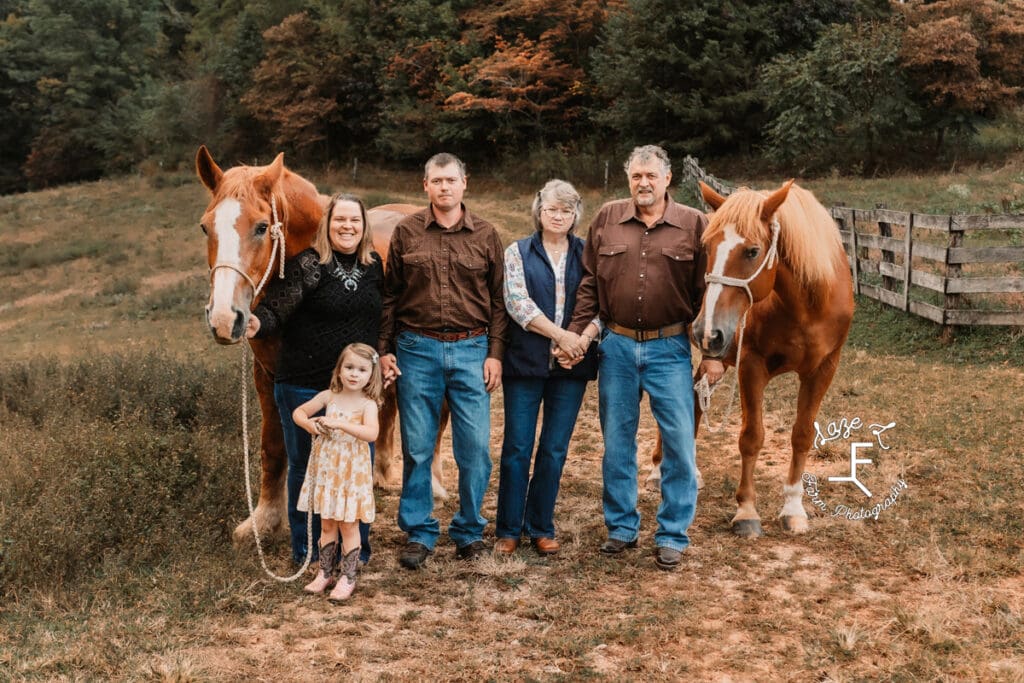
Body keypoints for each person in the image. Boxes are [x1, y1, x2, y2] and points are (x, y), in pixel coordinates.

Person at [564, 145, 725, 571]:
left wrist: (712, 354)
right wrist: (580, 335)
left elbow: (710, 294)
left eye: (651, 176)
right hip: (615, 345)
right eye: (636, 176)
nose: (644, 183)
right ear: (628, 178)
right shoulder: (607, 219)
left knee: (678, 443)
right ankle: (621, 528)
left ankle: (672, 533)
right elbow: (588, 284)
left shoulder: (695, 224)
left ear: (668, 178)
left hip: (670, 348)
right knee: (617, 442)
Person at [379, 152, 509, 569]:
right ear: (426, 186)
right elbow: (389, 296)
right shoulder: (406, 232)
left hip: (472, 351)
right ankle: (419, 532)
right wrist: (385, 350)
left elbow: (499, 303)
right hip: (417, 350)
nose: (444, 187)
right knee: (418, 448)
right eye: (436, 181)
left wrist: (495, 355)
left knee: (475, 450)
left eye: (451, 180)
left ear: (464, 183)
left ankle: (469, 530)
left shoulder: (487, 235)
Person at [247, 193, 382, 568]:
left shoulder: (374, 266)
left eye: (355, 220)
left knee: (356, 470)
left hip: (354, 392)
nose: (347, 226)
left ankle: (354, 555)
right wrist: (257, 323)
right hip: (304, 385)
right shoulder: (307, 264)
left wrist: (382, 357)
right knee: (308, 472)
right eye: (340, 219)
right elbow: (275, 310)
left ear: (364, 225)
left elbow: (378, 319)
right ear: (327, 224)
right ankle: (307, 552)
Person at [494, 179, 600, 556]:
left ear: (576, 215)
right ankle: (507, 529)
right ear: (539, 211)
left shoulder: (589, 253)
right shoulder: (517, 251)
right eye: (552, 209)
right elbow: (516, 302)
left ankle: (540, 526)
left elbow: (602, 304)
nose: (559, 216)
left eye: (567, 211)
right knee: (517, 447)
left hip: (572, 365)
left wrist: (581, 342)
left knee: (554, 448)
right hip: (525, 362)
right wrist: (561, 336)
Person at [292, 343, 381, 601]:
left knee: (348, 524)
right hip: (329, 470)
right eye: (349, 367)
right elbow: (299, 412)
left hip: (351, 473)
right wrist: (308, 424)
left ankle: (348, 576)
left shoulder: (368, 404)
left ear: (370, 374)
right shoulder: (328, 396)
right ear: (339, 370)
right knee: (328, 521)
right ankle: (325, 572)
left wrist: (340, 423)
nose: (354, 374)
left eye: (362, 369)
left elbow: (371, 433)